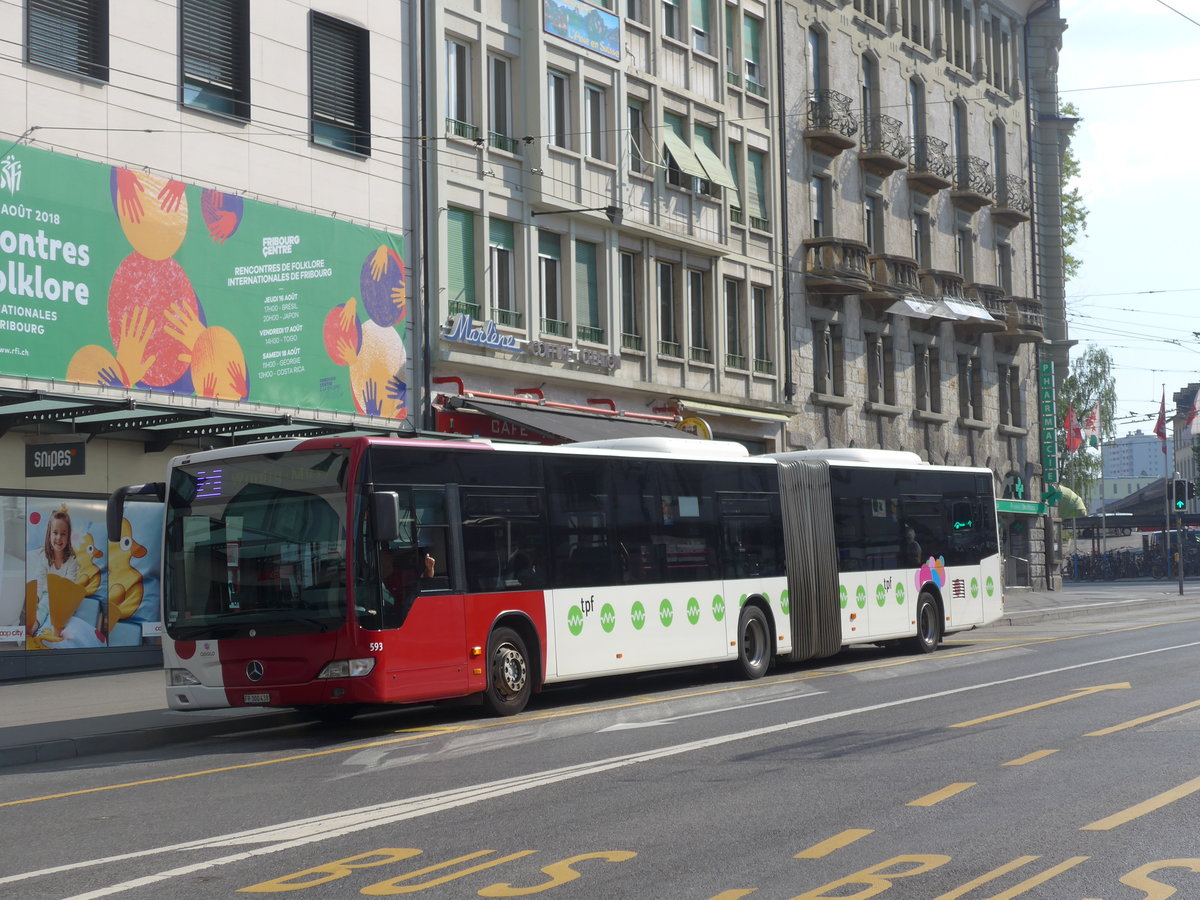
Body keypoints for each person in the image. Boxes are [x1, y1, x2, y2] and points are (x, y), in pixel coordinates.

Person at [28, 505, 80, 639]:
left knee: (55, 610)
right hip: (47, 595)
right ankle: (34, 625)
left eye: (63, 534)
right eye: (55, 533)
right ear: (49, 534)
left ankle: (49, 630)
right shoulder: (44, 557)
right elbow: (40, 581)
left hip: (63, 598)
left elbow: (69, 583)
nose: (59, 538)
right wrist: (37, 598)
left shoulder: (72, 560)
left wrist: (60, 600)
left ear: (68, 537)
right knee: (43, 606)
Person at [381, 540, 435, 626]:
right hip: (392, 613)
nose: (382, 561)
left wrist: (430, 568)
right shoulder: (375, 578)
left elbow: (425, 580)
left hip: (406, 615)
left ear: (390, 558)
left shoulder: (404, 574)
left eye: (383, 557)